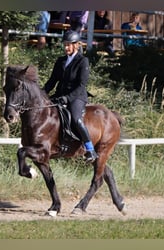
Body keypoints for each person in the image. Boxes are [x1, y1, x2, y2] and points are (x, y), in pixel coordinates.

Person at [43, 30, 98, 163]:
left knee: (76, 118)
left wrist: (68, 98)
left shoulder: (83, 61)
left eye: (69, 44)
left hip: (77, 96)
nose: (66, 47)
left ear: (77, 45)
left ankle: (90, 149)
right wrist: (41, 94)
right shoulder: (60, 61)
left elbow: (81, 85)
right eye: (65, 44)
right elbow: (52, 81)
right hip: (60, 95)